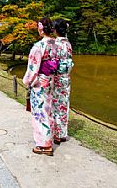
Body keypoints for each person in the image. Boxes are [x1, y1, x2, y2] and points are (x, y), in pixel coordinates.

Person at [23, 17, 57, 156]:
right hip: (50, 80)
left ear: (42, 28)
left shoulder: (38, 46)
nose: (38, 28)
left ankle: (44, 144)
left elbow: (33, 68)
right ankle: (49, 139)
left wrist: (27, 81)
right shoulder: (55, 44)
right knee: (48, 110)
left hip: (40, 83)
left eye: (38, 26)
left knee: (39, 113)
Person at [52, 19, 74, 144]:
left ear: (55, 30)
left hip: (56, 78)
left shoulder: (55, 44)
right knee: (64, 105)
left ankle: (57, 134)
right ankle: (63, 133)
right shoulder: (68, 44)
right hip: (66, 77)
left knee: (55, 105)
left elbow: (52, 63)